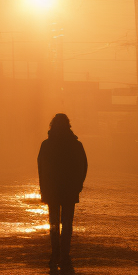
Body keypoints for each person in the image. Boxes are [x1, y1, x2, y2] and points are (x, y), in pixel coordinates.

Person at [37, 113, 88, 263]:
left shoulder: (46, 145)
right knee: (67, 223)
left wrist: (43, 188)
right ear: (68, 126)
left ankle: (55, 251)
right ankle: (65, 252)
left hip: (52, 189)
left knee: (53, 222)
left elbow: (41, 169)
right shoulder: (76, 145)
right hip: (69, 189)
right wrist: (78, 185)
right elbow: (83, 166)